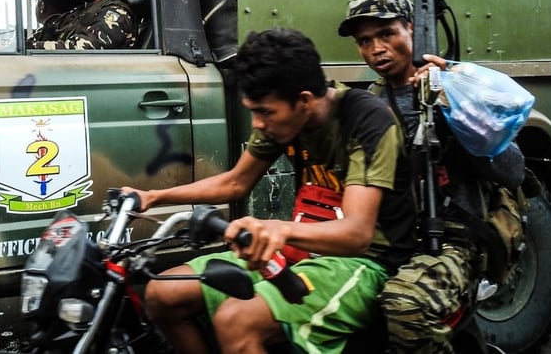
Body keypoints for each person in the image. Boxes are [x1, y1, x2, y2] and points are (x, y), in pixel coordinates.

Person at [123, 28, 415, 354]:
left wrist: (275, 228)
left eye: (264, 112)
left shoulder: (366, 118)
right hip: (302, 249)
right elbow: (235, 182)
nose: (257, 123)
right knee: (163, 294)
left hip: (365, 262)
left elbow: (357, 233)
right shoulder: (283, 120)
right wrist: (153, 197)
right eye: (253, 111)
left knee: (235, 321)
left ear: (304, 101)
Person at [337, 0, 525, 353]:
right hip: (393, 239)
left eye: (387, 33)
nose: (376, 48)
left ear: (411, 28)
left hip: (457, 237)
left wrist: (453, 103)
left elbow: (512, 170)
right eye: (365, 41)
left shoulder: (455, 85)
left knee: (406, 307)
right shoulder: (369, 105)